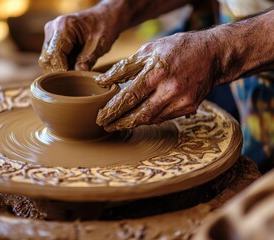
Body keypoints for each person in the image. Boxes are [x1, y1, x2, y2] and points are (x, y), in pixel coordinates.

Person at [39, 0, 274, 172]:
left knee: (245, 178)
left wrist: (219, 53)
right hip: (222, 21)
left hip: (258, 45)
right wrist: (113, 10)